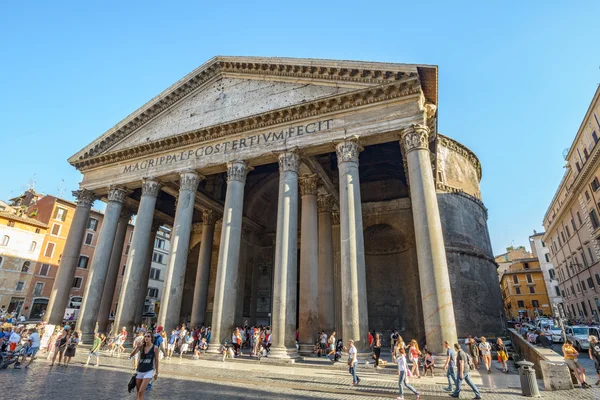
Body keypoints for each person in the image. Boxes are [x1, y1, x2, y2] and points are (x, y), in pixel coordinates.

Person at [130, 332, 159, 400]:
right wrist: (137, 347)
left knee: (141, 391)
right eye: (145, 336)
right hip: (139, 370)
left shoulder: (155, 348)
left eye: (148, 336)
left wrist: (157, 372)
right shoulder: (141, 346)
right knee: (138, 392)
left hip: (148, 371)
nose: (146, 338)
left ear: (151, 338)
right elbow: (131, 355)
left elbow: (157, 360)